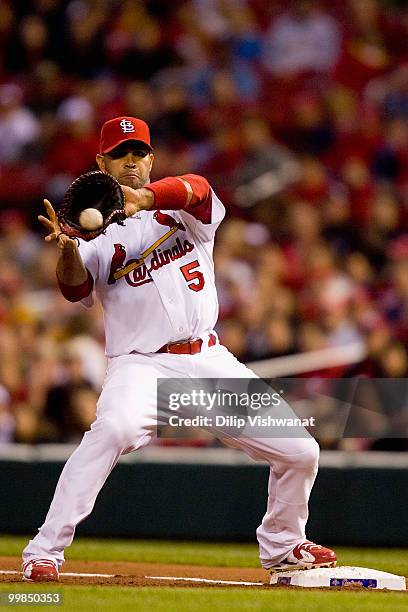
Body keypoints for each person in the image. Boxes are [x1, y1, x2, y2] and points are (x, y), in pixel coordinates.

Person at [22, 116, 336, 582]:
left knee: (300, 451)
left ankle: (284, 544)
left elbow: (200, 189)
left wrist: (144, 199)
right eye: (120, 155)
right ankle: (43, 550)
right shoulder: (96, 236)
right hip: (141, 366)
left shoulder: (179, 209)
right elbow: (74, 290)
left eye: (139, 153)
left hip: (207, 360)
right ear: (101, 162)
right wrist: (68, 248)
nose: (131, 162)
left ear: (151, 159)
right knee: (113, 429)